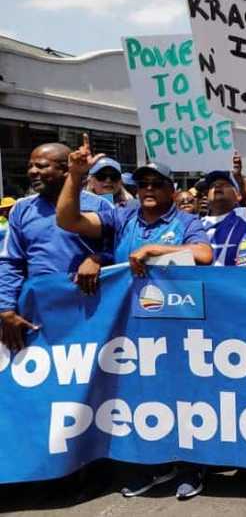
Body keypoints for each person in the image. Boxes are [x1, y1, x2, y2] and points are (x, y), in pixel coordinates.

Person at [55, 137, 213, 499]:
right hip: (130, 328)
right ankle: (153, 466)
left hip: (178, 326)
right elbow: (69, 219)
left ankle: (192, 465)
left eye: (157, 183)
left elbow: (204, 254)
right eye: (142, 183)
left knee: (183, 396)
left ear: (173, 190)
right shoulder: (121, 216)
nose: (148, 189)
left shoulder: (187, 221)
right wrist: (76, 175)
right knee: (140, 397)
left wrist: (160, 249)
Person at [0, 142, 111, 353]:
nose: (33, 172)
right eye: (30, 166)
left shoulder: (100, 206)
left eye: (41, 166)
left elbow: (118, 251)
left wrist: (97, 258)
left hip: (89, 310)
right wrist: (5, 307)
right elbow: (11, 261)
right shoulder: (21, 209)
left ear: (66, 169)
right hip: (40, 313)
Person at [199, 170, 246, 267]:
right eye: (212, 186)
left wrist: (239, 178)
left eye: (224, 184)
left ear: (238, 195)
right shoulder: (195, 225)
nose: (217, 187)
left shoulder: (245, 215)